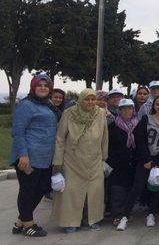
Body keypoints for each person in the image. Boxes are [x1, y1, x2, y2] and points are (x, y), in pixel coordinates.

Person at [51, 88, 109, 233]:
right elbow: (60, 138)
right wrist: (58, 161)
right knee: (71, 192)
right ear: (81, 99)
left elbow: (104, 136)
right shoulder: (69, 113)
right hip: (72, 160)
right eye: (87, 99)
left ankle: (91, 220)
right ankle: (71, 222)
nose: (90, 102)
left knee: (94, 192)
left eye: (92, 99)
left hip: (94, 160)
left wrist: (104, 157)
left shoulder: (100, 113)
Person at [9, 73, 58, 237]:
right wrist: (23, 155)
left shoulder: (47, 105)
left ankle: (20, 222)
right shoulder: (26, 105)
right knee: (28, 190)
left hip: (44, 157)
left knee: (43, 187)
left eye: (46, 86)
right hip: (28, 156)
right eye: (39, 85)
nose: (43, 88)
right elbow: (18, 132)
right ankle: (28, 224)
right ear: (33, 87)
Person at [118, 95, 159, 230]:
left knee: (156, 188)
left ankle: (151, 213)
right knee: (137, 187)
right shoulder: (146, 119)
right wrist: (146, 160)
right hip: (144, 160)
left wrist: (157, 162)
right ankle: (125, 216)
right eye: (157, 104)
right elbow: (139, 139)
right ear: (154, 106)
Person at [107, 98, 139, 228]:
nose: (127, 111)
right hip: (118, 164)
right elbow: (109, 146)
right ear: (119, 111)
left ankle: (126, 213)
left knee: (130, 189)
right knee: (117, 191)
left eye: (130, 108)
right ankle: (117, 215)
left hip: (133, 163)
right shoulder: (113, 126)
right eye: (124, 109)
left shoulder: (138, 124)